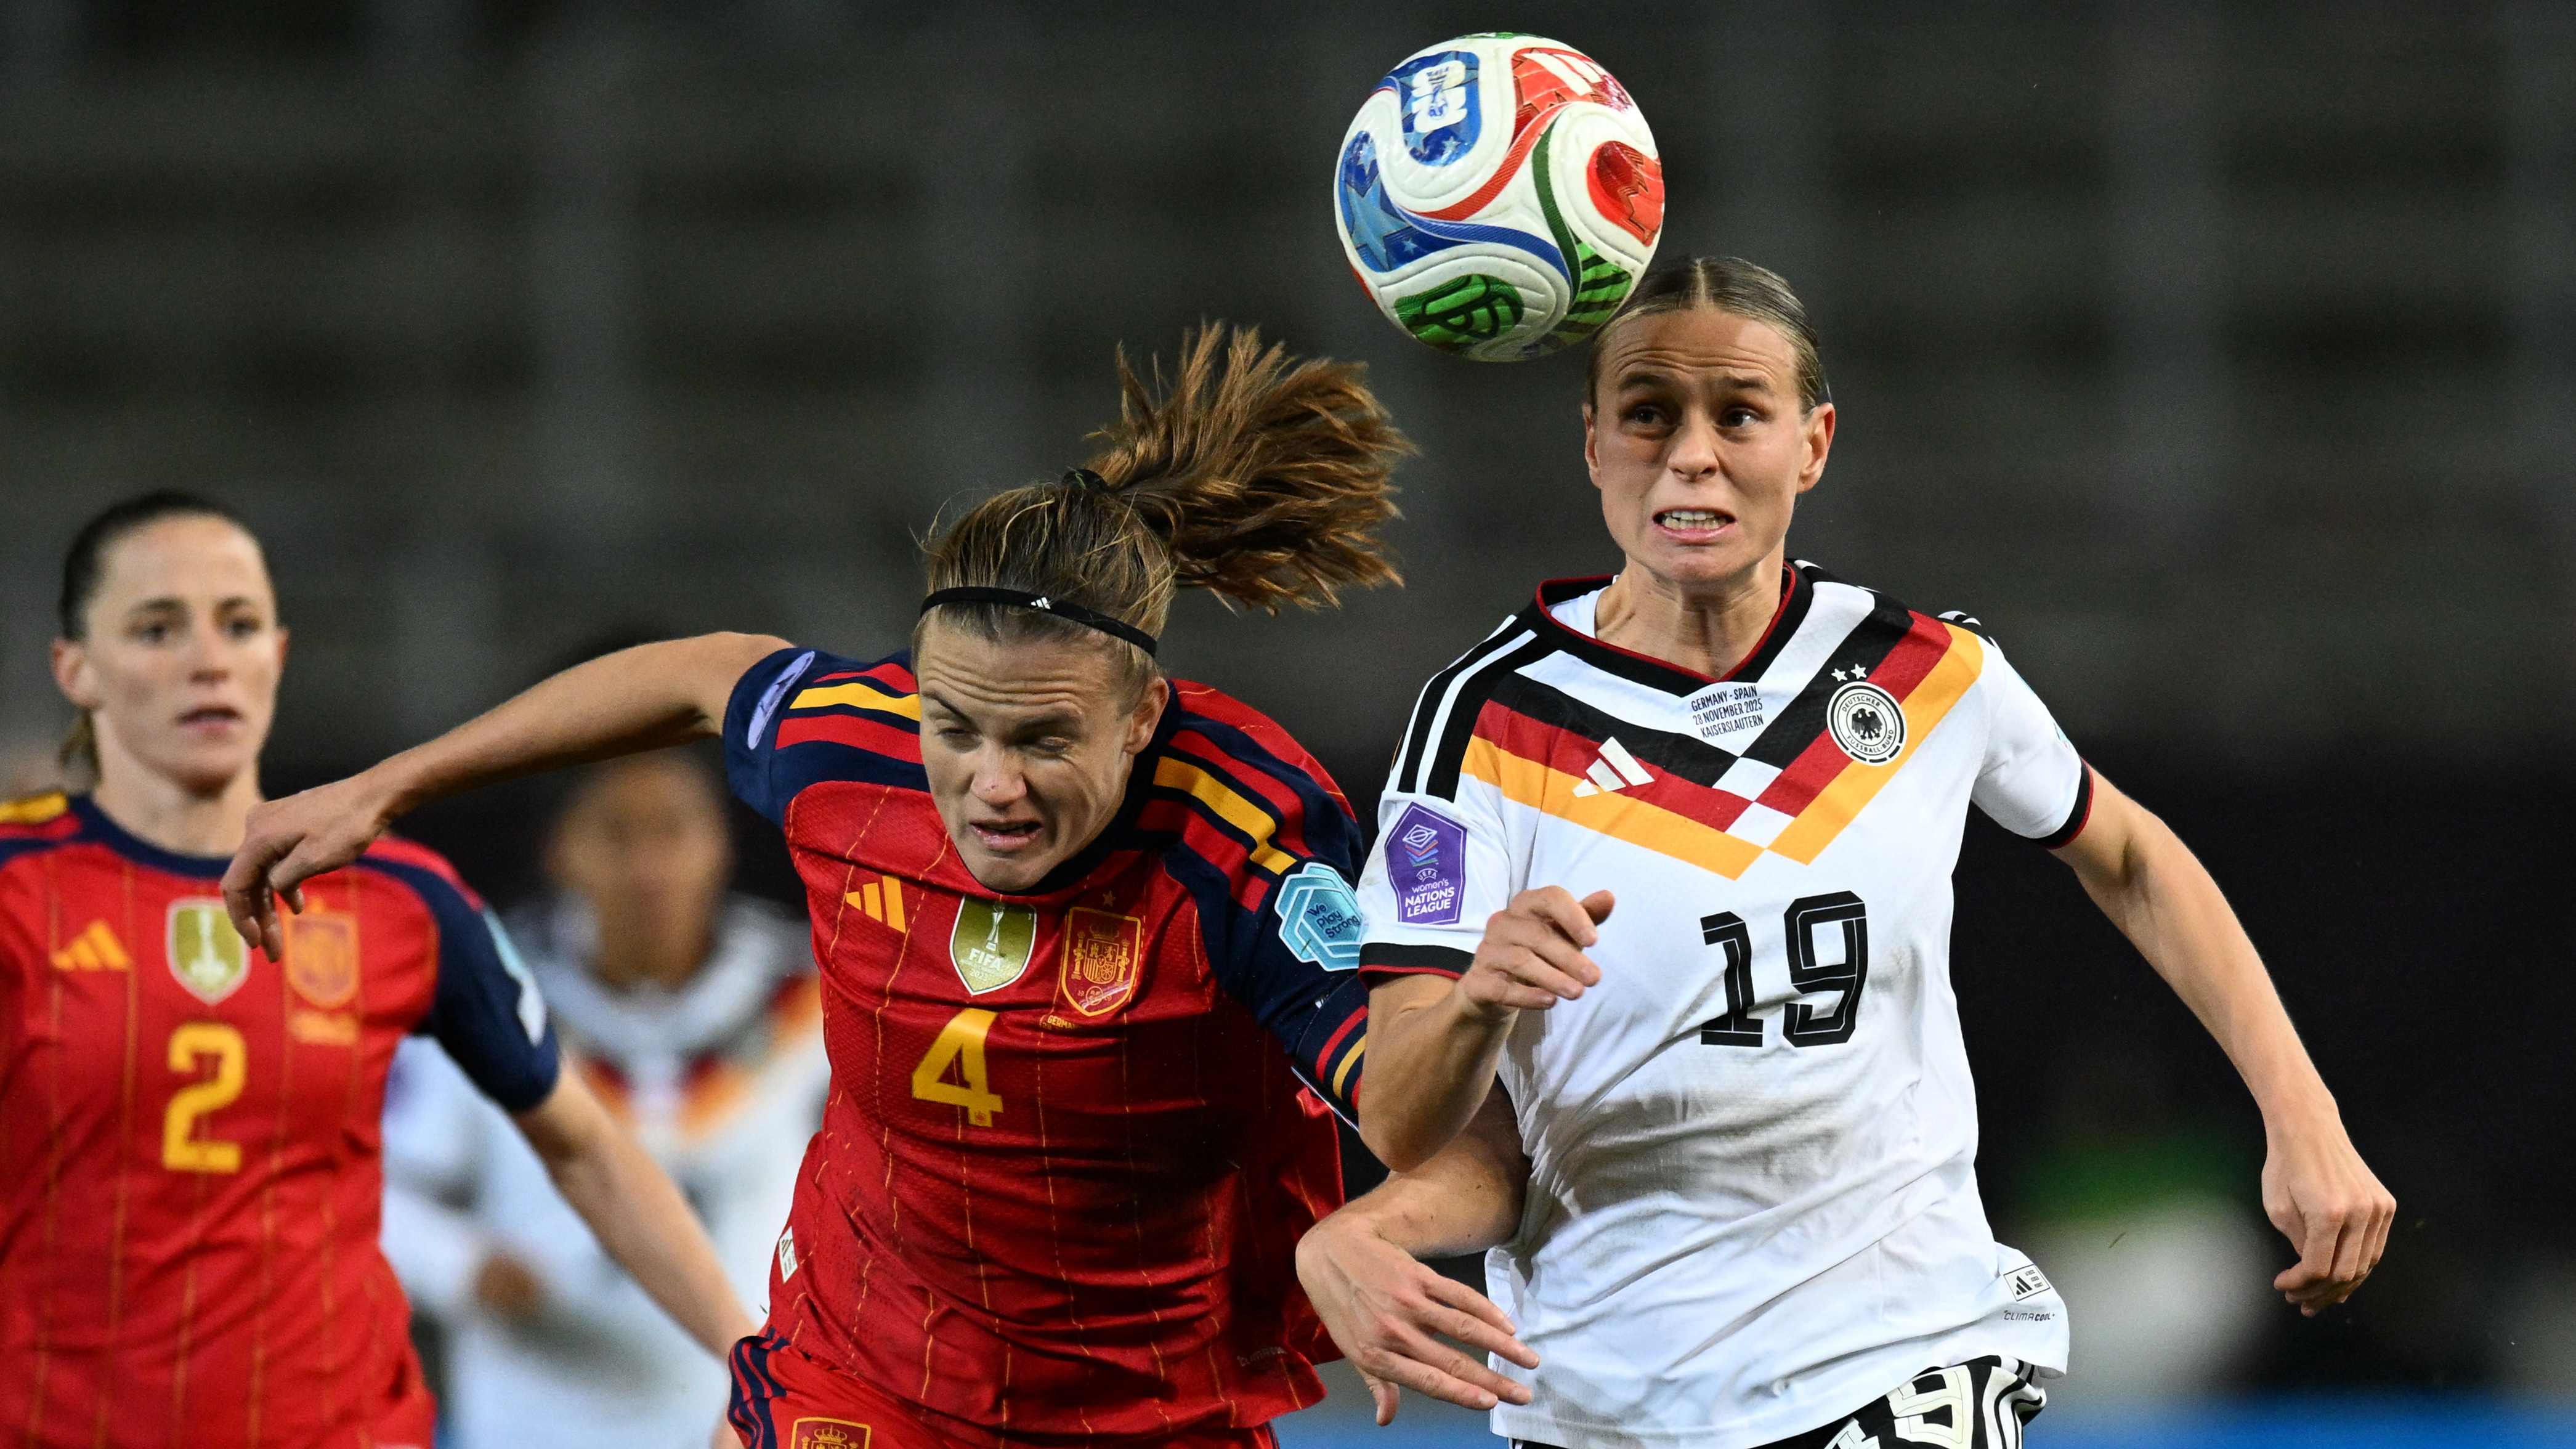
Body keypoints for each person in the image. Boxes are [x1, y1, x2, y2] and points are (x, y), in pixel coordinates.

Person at [221, 325, 1406, 1449]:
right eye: (954, 726)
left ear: (1141, 715)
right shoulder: (855, 750)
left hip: (1142, 1407)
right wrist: (387, 786)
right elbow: (700, 675)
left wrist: (1385, 1212)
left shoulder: (1248, 839)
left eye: (1042, 738)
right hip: (858, 1384)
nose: (991, 784)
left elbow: (1430, 1113)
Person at [1314, 258, 2397, 1449]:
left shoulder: (1923, 671)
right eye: (1647, 414)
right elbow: (1401, 1118)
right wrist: (1476, 1003)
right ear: (1593, 445)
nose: (1691, 455)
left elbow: (2130, 855)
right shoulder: (1481, 724)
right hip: (1608, 1399)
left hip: (1903, 1355)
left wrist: (2301, 1110)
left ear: (1812, 444)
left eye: (1738, 413)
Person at [0, 492, 755, 1449]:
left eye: (238, 624)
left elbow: (586, 1151)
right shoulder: (18, 885)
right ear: (75, 668)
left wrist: (752, 1361)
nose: (208, 658)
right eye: (158, 628)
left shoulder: (403, 901)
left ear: (277, 655)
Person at [381, 749, 828, 1449]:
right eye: (616, 834)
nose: (649, 867)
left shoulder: (818, 995)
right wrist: (461, 1265)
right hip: (535, 1421)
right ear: (559, 848)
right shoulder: (485, 991)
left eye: (673, 830)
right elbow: (375, 1192)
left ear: (721, 842)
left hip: (748, 1423)